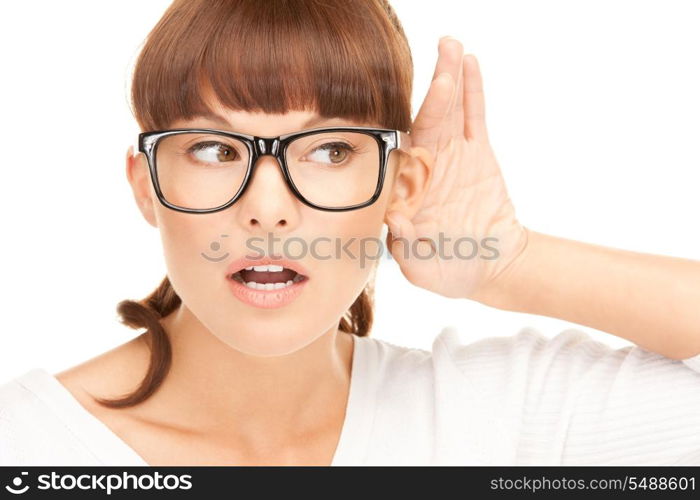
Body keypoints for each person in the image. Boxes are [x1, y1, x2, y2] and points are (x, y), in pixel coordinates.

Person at [1, 0, 700, 466]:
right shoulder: (25, 445)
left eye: (329, 149)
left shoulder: (499, 419)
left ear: (400, 185)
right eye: (215, 150)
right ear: (145, 182)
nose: (268, 210)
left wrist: (507, 263)